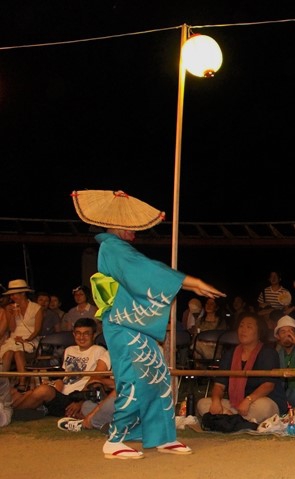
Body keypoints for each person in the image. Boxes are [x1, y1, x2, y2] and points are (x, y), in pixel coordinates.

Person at [73, 189, 224, 460]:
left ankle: (161, 436)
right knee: (131, 380)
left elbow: (144, 272)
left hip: (133, 324)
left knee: (158, 377)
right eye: (132, 227)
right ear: (119, 226)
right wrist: (191, 282)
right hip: (122, 325)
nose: (135, 232)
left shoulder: (119, 249)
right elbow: (148, 272)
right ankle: (116, 438)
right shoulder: (112, 247)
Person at [196, 312, 286, 424]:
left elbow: (268, 385)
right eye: (241, 326)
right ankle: (237, 420)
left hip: (259, 402)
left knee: (263, 407)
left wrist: (248, 400)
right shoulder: (230, 354)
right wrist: (216, 401)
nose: (243, 330)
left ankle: (228, 419)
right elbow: (219, 385)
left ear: (259, 332)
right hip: (236, 404)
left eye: (249, 327)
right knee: (203, 404)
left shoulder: (268, 353)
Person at [11, 318, 110, 417]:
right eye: (78, 333)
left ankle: (12, 413)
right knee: (22, 393)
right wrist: (55, 382)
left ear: (94, 335)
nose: (81, 337)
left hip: (76, 397)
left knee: (43, 391)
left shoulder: (99, 351)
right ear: (74, 334)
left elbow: (97, 378)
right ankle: (14, 411)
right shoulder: (69, 350)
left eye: (86, 333)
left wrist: (80, 400)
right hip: (61, 393)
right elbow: (64, 376)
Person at [0, 280, 42, 391]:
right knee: (9, 352)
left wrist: (27, 339)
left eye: (14, 294)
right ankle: (1, 382)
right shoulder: (11, 307)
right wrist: (12, 315)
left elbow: (37, 329)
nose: (12, 297)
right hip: (15, 338)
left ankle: (22, 383)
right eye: (11, 295)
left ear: (23, 293)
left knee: (18, 352)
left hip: (30, 338)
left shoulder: (36, 307)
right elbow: (12, 328)